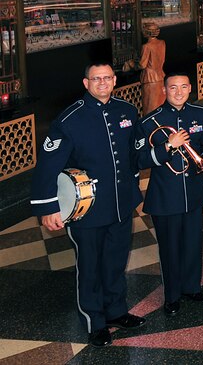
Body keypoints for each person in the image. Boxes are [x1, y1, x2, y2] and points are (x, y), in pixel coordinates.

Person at [30, 63, 145, 347]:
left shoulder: (127, 111)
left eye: (107, 78)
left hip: (120, 204)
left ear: (114, 80)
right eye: (96, 79)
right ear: (86, 83)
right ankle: (95, 322)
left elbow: (134, 155)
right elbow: (48, 165)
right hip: (87, 209)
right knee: (91, 265)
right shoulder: (69, 119)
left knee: (116, 261)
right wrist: (48, 208)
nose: (102, 83)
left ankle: (117, 311)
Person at [138, 73, 203, 316]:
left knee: (193, 243)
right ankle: (172, 296)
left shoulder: (200, 114)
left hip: (193, 191)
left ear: (190, 88)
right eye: (173, 87)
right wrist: (168, 146)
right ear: (164, 90)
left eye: (183, 86)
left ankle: (192, 287)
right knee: (170, 248)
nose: (179, 92)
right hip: (165, 195)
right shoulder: (150, 121)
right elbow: (139, 160)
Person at [138, 23, 166, 115]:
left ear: (146, 32)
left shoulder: (146, 46)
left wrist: (131, 64)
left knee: (149, 106)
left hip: (149, 79)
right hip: (160, 76)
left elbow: (142, 65)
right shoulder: (162, 43)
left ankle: (150, 128)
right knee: (160, 104)